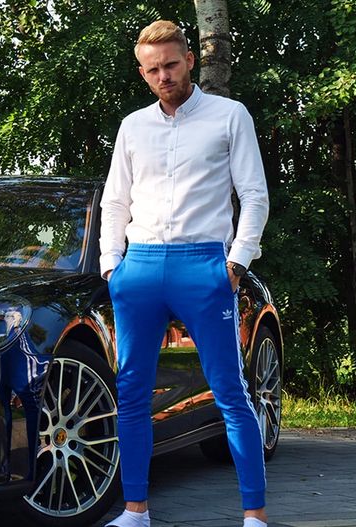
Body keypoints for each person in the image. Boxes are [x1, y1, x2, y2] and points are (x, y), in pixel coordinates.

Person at [99, 20, 270, 527]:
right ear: (142, 72)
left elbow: (254, 195)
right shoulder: (133, 127)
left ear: (189, 60)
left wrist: (236, 263)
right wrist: (112, 265)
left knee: (230, 392)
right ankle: (135, 512)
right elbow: (115, 201)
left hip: (205, 266)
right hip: (139, 268)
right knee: (131, 393)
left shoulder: (229, 116)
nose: (164, 76)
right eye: (153, 70)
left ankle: (255, 516)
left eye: (171, 65)